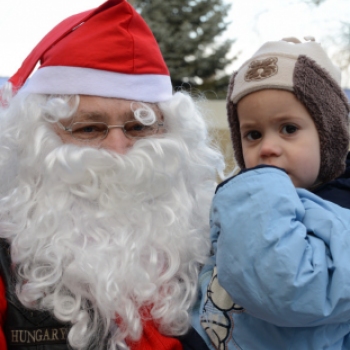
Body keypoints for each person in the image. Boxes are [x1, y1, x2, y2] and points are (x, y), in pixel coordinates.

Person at [0, 1, 224, 349]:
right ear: (34, 143)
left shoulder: (205, 246)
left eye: (139, 126)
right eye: (89, 129)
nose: (119, 149)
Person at [191, 37, 350, 349]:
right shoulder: (245, 199)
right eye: (252, 134)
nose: (267, 148)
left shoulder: (341, 209)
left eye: (289, 129)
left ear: (329, 137)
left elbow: (293, 291)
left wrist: (258, 188)